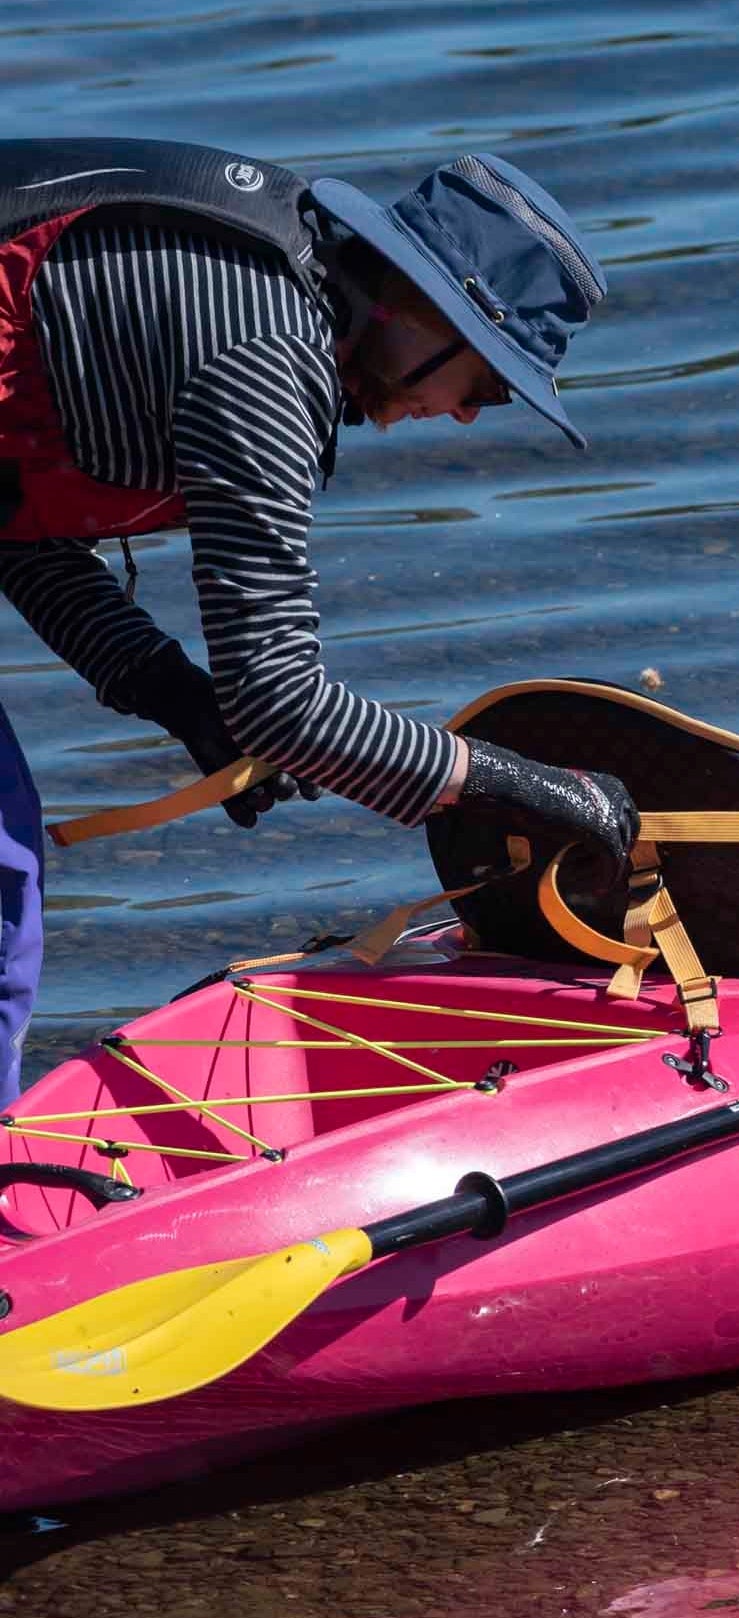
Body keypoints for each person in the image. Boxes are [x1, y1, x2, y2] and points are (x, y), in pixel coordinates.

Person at [0, 139, 642, 1105]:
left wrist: (174, 691)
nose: (469, 418)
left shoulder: (268, 286)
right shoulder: (263, 358)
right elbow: (284, 707)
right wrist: (511, 788)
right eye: (490, 382)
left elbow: (17, 528)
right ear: (423, 307)